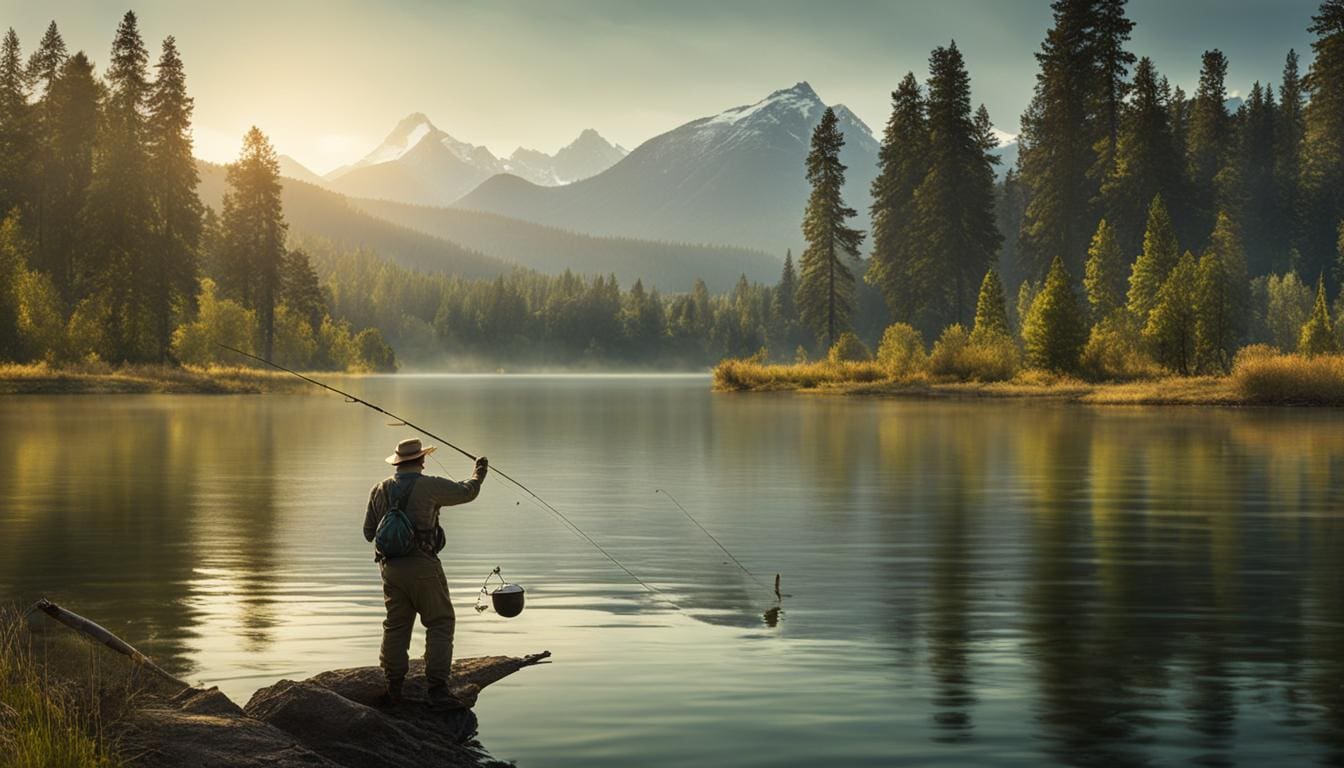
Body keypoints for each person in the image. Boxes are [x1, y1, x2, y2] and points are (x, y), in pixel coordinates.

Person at [363, 437, 488, 706]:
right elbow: (467, 492)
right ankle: (437, 688)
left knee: (397, 626)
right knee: (440, 622)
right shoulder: (429, 485)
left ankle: (394, 687)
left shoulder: (379, 489)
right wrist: (479, 472)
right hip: (423, 566)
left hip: (390, 569)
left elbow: (368, 533)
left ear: (398, 462)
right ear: (421, 460)